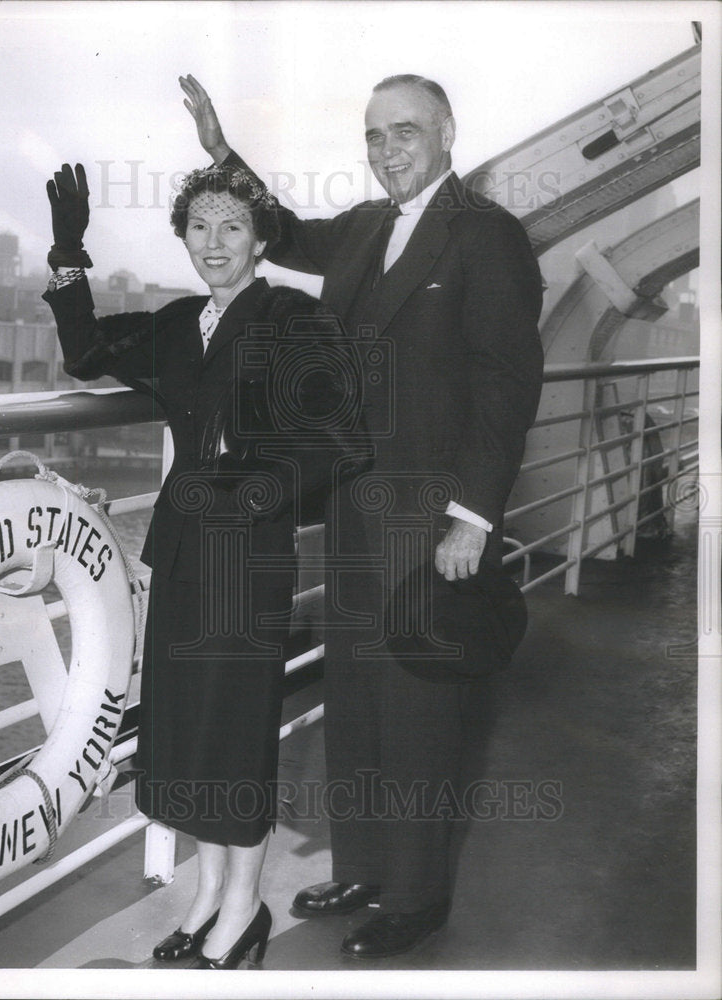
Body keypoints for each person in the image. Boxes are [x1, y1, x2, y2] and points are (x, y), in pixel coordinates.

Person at [179, 72, 545, 959]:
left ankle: (416, 896)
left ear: (447, 131)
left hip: (429, 513)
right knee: (356, 696)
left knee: (418, 703)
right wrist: (221, 154)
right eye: (375, 134)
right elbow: (283, 229)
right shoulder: (366, 227)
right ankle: (366, 867)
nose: (388, 149)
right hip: (351, 505)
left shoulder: (486, 234)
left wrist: (473, 517)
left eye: (405, 130)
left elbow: (507, 383)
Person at [43, 162, 364, 969]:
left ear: (260, 240)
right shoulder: (181, 322)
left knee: (236, 731)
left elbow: (343, 441)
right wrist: (68, 249)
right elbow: (85, 352)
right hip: (184, 548)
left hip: (247, 555)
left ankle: (245, 905)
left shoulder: (296, 319)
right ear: (183, 236)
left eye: (232, 227)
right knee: (189, 729)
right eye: (199, 226)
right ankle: (210, 892)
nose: (214, 242)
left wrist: (257, 489)